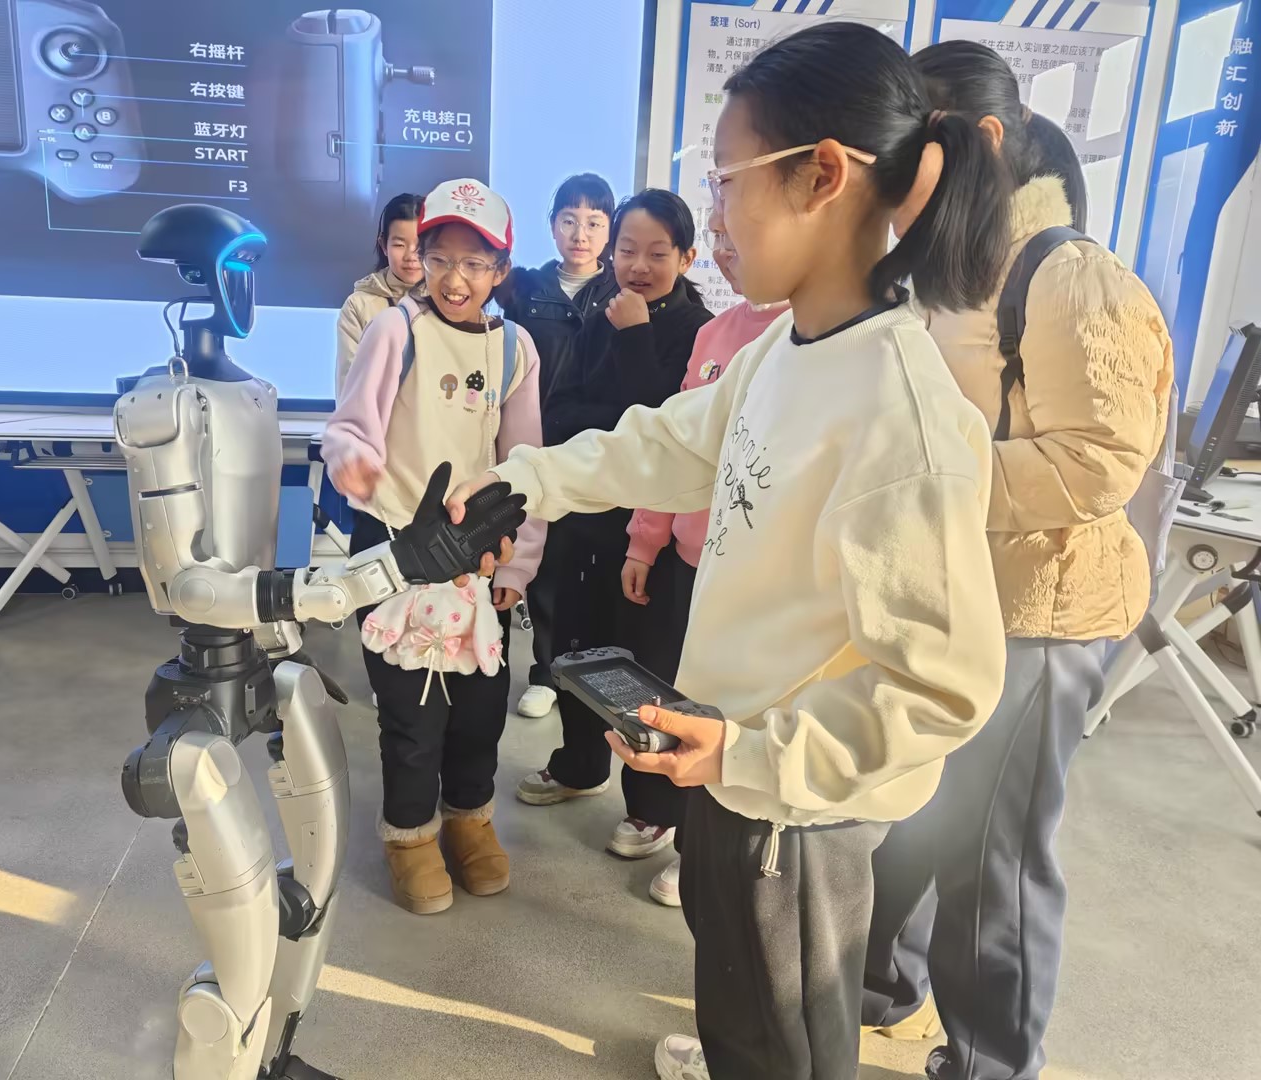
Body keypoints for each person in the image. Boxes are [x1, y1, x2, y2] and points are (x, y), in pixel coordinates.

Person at [448, 23, 1014, 1078]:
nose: (711, 218)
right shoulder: (785, 348)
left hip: (794, 819)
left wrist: (749, 758)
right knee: (740, 1020)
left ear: (823, 175)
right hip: (726, 767)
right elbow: (676, 445)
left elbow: (943, 687)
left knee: (785, 1045)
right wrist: (527, 480)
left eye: (726, 182)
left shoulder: (902, 415)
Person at [861, 42, 1174, 1080]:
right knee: (915, 813)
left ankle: (992, 1063)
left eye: (904, 154)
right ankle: (882, 986)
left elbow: (1095, 464)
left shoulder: (1072, 276)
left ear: (981, 140)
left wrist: (922, 481)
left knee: (994, 857)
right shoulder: (960, 271)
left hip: (1042, 616)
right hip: (956, 596)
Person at [323, 178, 546, 916]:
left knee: (481, 709)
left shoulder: (515, 348)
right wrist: (354, 461)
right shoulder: (396, 329)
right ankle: (410, 835)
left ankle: (469, 820)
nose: (455, 278)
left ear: (501, 270)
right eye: (441, 258)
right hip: (397, 551)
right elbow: (351, 423)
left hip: (477, 561)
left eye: (475, 263)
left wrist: (519, 562)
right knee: (412, 715)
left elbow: (527, 465)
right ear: (419, 257)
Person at [513, 188, 713, 863]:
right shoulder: (603, 307)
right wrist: (602, 431)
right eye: (628, 250)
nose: (639, 265)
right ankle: (579, 765)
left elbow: (666, 433)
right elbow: (564, 407)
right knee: (575, 651)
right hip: (585, 517)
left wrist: (634, 337)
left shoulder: (696, 329)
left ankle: (652, 808)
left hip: (647, 533)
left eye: (657, 253)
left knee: (640, 668)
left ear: (686, 257)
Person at [621, 217, 788, 907]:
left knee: (725, 717)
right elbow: (677, 447)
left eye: (737, 231)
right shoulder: (715, 333)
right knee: (665, 695)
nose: (727, 249)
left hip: (755, 577)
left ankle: (697, 851)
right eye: (720, 235)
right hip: (689, 561)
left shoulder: (807, 340)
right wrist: (645, 539)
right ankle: (656, 814)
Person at [503, 173, 620, 719]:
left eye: (594, 222)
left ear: (609, 229)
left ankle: (576, 669)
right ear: (552, 226)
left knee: (589, 565)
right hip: (535, 448)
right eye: (569, 220)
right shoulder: (525, 291)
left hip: (599, 451)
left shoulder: (622, 293)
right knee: (541, 561)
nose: (581, 233)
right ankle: (539, 670)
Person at [335, 193, 426, 397]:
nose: (411, 256)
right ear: (384, 245)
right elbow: (349, 389)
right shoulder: (358, 306)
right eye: (399, 245)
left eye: (420, 246)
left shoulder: (448, 302)